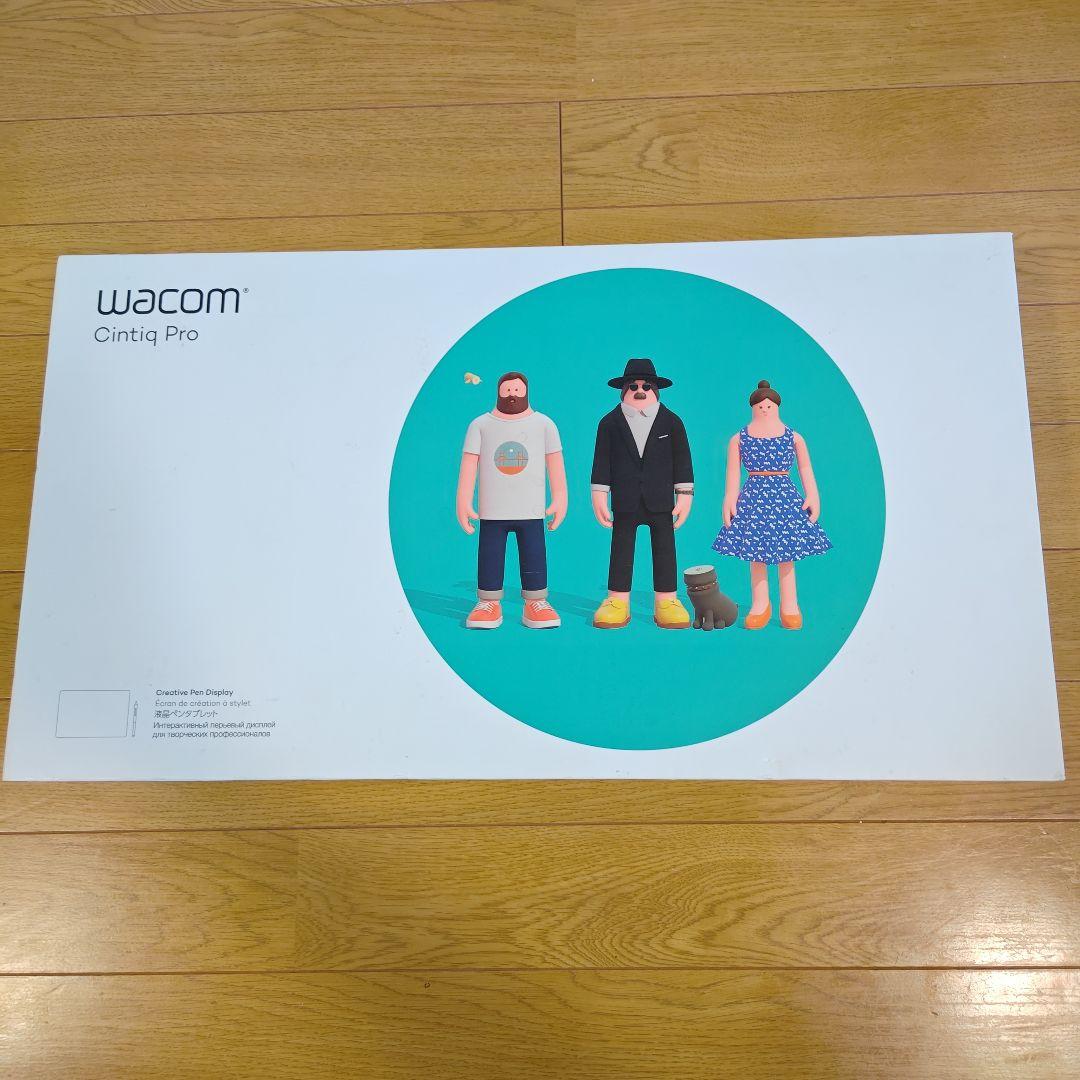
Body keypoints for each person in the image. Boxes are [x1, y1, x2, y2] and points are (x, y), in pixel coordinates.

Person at [711, 380, 831, 630]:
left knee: (787, 554)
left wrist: (813, 494)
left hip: (784, 496)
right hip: (753, 497)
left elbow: (805, 468)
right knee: (756, 554)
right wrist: (730, 497)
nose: (764, 409)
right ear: (753, 408)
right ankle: (760, 605)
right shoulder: (739, 438)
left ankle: (790, 606)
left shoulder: (793, 437)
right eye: (760, 406)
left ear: (776, 406)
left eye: (769, 405)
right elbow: (732, 472)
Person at [457, 372, 566, 629]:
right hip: (492, 508)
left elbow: (555, 462)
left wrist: (560, 497)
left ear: (526, 392)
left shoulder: (544, 424)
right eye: (507, 391)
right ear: (498, 392)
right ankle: (488, 602)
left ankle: (536, 601)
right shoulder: (480, 425)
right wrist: (463, 500)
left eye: (517, 391)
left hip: (531, 508)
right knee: (490, 554)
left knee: (534, 553)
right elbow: (469, 463)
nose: (512, 396)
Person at [590, 358, 694, 630]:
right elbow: (601, 461)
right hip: (624, 499)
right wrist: (599, 493)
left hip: (661, 499)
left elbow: (682, 460)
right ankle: (617, 600)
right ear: (623, 390)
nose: (639, 391)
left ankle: (667, 600)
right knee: (621, 548)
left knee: (665, 548)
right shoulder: (609, 423)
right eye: (633, 386)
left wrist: (685, 493)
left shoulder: (672, 422)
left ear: (655, 390)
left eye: (646, 386)